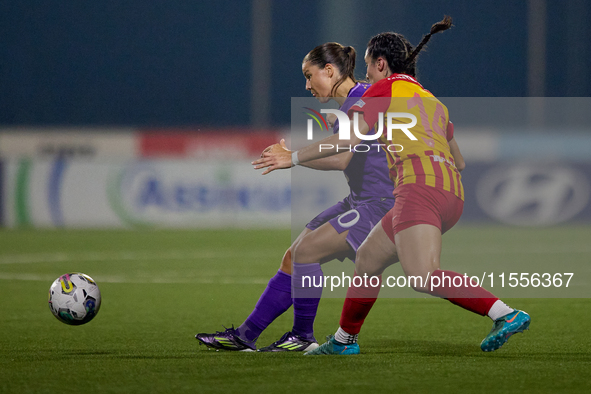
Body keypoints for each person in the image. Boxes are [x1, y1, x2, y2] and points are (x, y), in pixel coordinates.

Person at [253, 16, 531, 355]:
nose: (366, 75)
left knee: (423, 275)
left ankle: (505, 313)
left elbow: (348, 139)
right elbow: (459, 161)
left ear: (381, 64)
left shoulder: (382, 90)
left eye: (369, 67)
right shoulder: (433, 102)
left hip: (418, 190)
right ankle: (343, 341)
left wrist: (293, 157)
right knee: (368, 259)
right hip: (449, 193)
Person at [196, 42, 396, 352]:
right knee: (294, 256)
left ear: (329, 71)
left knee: (307, 254)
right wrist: (290, 159)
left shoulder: (361, 99)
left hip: (379, 205)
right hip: (359, 200)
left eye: (309, 75)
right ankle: (245, 336)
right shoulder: (346, 106)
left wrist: (292, 157)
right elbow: (343, 158)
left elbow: (342, 158)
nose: (306, 85)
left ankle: (302, 337)